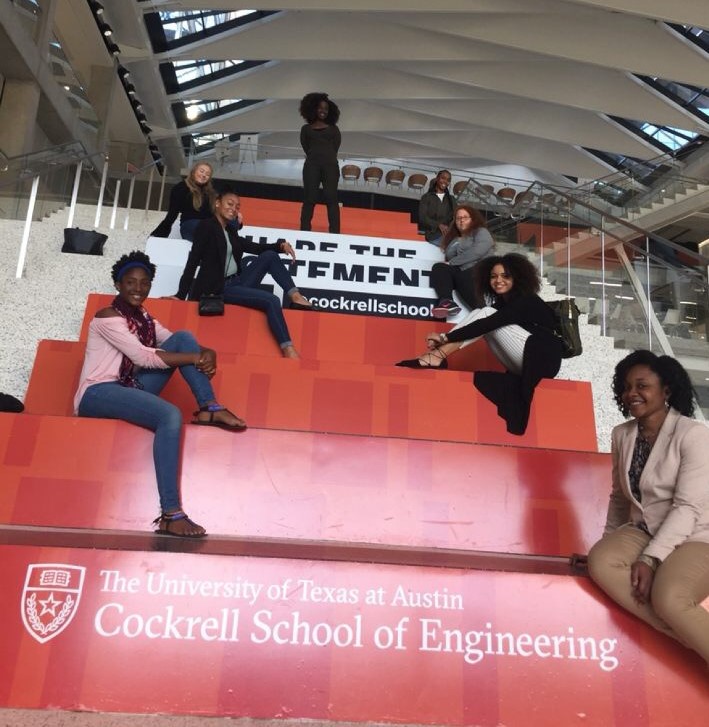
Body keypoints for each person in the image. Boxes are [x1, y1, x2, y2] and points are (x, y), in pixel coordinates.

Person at [75, 251, 247, 538]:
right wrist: (196, 357)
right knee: (170, 414)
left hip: (127, 385)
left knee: (183, 338)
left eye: (144, 283)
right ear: (117, 284)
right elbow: (142, 357)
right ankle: (171, 514)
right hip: (98, 393)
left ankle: (209, 406)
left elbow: (173, 342)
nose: (138, 289)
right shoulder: (107, 317)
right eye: (130, 282)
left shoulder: (144, 319)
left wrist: (206, 352)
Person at [587, 351, 709, 665]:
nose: (632, 394)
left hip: (697, 533)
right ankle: (692, 640)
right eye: (626, 387)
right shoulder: (622, 435)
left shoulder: (694, 434)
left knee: (669, 597)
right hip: (646, 528)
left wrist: (650, 559)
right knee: (601, 562)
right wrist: (606, 539)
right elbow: (619, 497)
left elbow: (687, 507)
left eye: (642, 385)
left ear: (666, 390)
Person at [397, 253, 563, 435]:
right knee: (484, 313)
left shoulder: (526, 299)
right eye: (493, 276)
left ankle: (437, 356)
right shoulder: (502, 304)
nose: (498, 280)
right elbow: (485, 325)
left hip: (541, 360)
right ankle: (437, 355)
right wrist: (446, 338)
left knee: (485, 314)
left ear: (518, 278)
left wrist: (445, 337)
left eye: (505, 276)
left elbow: (488, 323)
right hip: (525, 359)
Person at [174, 190, 317, 359]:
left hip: (238, 282)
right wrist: (180, 295)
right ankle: (288, 349)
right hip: (220, 288)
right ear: (217, 203)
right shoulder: (206, 227)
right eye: (230, 204)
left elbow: (254, 248)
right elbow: (193, 261)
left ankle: (295, 297)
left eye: (237, 206)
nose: (234, 209)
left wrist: (280, 246)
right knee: (272, 300)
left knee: (269, 256)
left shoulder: (230, 232)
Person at [430, 205, 494, 319]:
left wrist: (453, 262)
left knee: (463, 275)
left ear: (473, 219)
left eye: (465, 217)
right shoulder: (456, 239)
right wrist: (457, 242)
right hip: (464, 273)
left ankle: (483, 312)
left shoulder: (481, 231)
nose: (461, 220)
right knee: (439, 267)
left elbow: (478, 251)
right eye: (458, 218)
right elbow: (449, 256)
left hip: (481, 270)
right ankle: (447, 302)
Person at [151, 162, 230, 242]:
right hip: (190, 225)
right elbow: (172, 214)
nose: (204, 175)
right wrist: (157, 235)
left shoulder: (211, 193)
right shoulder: (181, 188)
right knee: (207, 227)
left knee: (232, 221)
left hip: (210, 226)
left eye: (207, 174)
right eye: (201, 171)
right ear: (194, 171)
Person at [299, 92, 341, 234]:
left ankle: (335, 233)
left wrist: (326, 157)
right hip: (312, 166)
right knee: (309, 198)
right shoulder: (305, 129)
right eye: (320, 108)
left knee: (331, 198)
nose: (323, 111)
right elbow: (306, 147)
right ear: (313, 109)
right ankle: (304, 231)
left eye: (326, 109)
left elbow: (335, 147)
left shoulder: (334, 129)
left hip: (330, 167)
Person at [418, 170, 456, 246]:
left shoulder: (451, 199)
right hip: (433, 235)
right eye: (443, 178)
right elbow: (422, 217)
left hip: (449, 236)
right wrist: (438, 225)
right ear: (437, 178)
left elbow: (456, 215)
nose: (445, 181)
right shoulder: (426, 197)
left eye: (448, 180)